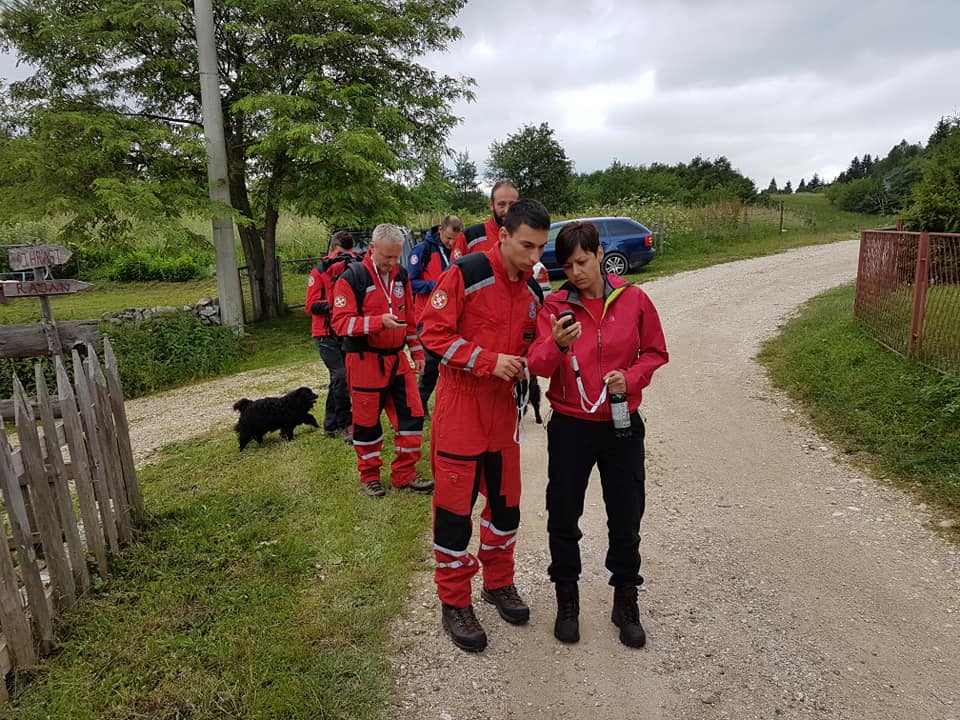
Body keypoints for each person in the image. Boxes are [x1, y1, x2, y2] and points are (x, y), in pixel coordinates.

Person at [527, 221, 668, 648]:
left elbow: (656, 352)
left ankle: (626, 599)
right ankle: (566, 598)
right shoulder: (554, 307)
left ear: (600, 254)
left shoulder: (635, 298)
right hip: (571, 424)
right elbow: (537, 365)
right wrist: (555, 344)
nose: (575, 272)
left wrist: (632, 377)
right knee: (563, 513)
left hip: (621, 423)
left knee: (626, 513)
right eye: (567, 265)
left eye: (582, 262)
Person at [419, 199, 551, 652]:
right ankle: (454, 602)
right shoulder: (468, 272)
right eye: (526, 246)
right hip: (462, 406)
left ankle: (498, 584)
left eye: (541, 248)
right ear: (503, 236)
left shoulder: (533, 287)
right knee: (455, 517)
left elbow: (535, 344)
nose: (534, 258)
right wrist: (487, 361)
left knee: (506, 510)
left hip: (503, 414)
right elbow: (431, 332)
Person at [331, 224, 434, 498]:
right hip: (364, 361)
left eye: (396, 257)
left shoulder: (401, 275)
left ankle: (405, 474)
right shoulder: (352, 277)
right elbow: (341, 323)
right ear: (373, 248)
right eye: (387, 257)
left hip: (397, 361)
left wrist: (418, 351)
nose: (392, 263)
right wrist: (378, 323)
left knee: (412, 416)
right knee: (366, 425)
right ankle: (370, 477)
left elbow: (409, 316)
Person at [408, 214, 462, 412]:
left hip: (452, 317)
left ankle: (450, 406)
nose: (450, 243)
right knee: (429, 367)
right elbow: (410, 283)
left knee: (453, 364)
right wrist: (438, 285)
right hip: (426, 317)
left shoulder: (458, 252)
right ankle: (417, 407)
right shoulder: (422, 250)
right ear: (440, 230)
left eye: (454, 240)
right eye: (448, 238)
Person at [305, 230, 355, 440]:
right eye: (343, 254)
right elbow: (310, 306)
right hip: (325, 333)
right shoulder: (319, 272)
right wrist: (337, 306)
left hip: (343, 330)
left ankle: (330, 424)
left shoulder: (352, 268)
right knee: (341, 376)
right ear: (333, 250)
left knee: (340, 379)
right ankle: (345, 423)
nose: (346, 258)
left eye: (349, 254)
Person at [450, 180, 519, 259]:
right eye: (501, 204)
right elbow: (454, 269)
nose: (507, 210)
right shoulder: (469, 237)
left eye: (512, 204)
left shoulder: (526, 238)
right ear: (491, 205)